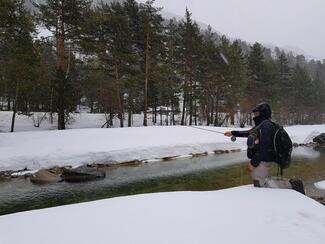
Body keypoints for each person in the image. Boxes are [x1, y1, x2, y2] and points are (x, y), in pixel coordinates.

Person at [224, 102, 305, 194]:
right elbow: (249, 133)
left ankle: (293, 185)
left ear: (263, 113)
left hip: (265, 158)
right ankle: (284, 186)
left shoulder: (266, 126)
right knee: (260, 180)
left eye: (257, 113)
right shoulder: (263, 125)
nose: (255, 115)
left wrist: (253, 163)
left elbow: (264, 147)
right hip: (265, 157)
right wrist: (233, 133)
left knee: (259, 182)